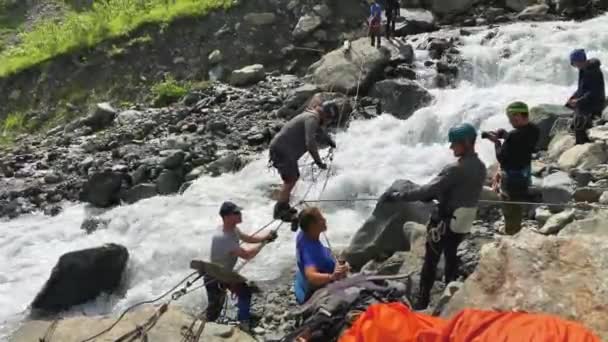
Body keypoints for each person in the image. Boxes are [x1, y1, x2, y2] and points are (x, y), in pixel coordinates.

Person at [386, 123, 486, 310]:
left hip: (444, 223)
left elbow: (427, 191)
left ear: (465, 142)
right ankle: (451, 296)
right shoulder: (481, 167)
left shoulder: (455, 169)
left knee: (431, 262)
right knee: (451, 256)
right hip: (463, 222)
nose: (451, 147)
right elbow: (460, 191)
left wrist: (400, 196)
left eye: (454, 143)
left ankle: (422, 301)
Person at [205, 201, 277, 329]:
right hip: (215, 278)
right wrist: (264, 243)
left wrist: (266, 237)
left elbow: (247, 238)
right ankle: (207, 328)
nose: (240, 214)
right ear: (227, 217)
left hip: (223, 274)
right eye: (236, 213)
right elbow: (247, 255)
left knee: (244, 293)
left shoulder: (232, 229)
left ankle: (243, 319)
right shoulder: (223, 237)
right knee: (214, 311)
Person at [269, 95, 337, 224]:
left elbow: (320, 131)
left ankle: (284, 205)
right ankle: (280, 210)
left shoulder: (311, 115)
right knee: (291, 178)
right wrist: (318, 161)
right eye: (329, 120)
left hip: (282, 149)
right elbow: (310, 142)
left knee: (293, 177)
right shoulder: (312, 118)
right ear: (325, 115)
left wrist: (329, 141)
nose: (328, 123)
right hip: (282, 150)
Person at [484, 102, 540, 236]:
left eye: (511, 118)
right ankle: (515, 228)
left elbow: (501, 157)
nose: (510, 121)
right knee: (517, 204)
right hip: (524, 175)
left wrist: (496, 142)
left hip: (510, 179)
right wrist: (505, 135)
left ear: (518, 116)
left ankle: (512, 233)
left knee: (509, 207)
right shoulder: (534, 129)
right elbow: (520, 140)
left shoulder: (514, 136)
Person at [295, 207, 350, 304]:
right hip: (313, 289)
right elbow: (311, 276)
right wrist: (332, 277)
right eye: (320, 219)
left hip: (302, 279)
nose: (324, 220)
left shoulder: (303, 234)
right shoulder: (310, 250)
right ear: (312, 226)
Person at [567, 49, 606, 144]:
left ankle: (582, 143)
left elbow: (593, 92)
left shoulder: (593, 71)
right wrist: (573, 98)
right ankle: (581, 138)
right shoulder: (583, 69)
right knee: (572, 112)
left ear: (580, 61)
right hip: (586, 100)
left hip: (594, 102)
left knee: (579, 122)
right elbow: (581, 88)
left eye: (574, 63)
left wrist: (578, 101)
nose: (574, 66)